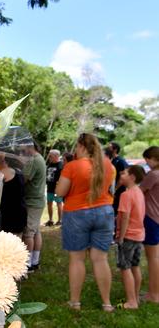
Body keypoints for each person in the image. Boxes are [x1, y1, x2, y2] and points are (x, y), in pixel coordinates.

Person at [55, 133, 116, 312]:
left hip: (76, 213)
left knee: (77, 259)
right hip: (104, 212)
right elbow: (110, 188)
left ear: (81, 146)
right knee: (100, 259)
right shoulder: (108, 165)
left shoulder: (72, 166)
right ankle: (107, 303)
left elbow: (60, 192)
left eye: (76, 146)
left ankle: (75, 302)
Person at [115, 165, 146, 309]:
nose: (121, 175)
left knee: (125, 267)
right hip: (139, 235)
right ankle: (135, 297)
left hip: (128, 236)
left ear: (132, 177)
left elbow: (124, 217)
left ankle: (131, 302)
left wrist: (120, 237)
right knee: (135, 265)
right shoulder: (139, 192)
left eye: (124, 173)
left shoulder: (126, 195)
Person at [23, 142, 47, 271]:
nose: (23, 151)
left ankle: (27, 265)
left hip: (32, 202)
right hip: (37, 201)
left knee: (28, 233)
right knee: (35, 231)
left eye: (24, 148)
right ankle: (35, 261)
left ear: (30, 147)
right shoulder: (40, 159)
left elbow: (25, 179)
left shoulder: (34, 160)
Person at [141, 146, 159, 303]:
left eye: (148, 159)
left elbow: (139, 191)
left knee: (152, 257)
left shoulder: (153, 175)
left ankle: (154, 294)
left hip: (151, 218)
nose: (146, 162)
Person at [0, 152, 27, 236]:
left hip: (9, 212)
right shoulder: (20, 172)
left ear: (5, 160)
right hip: (21, 209)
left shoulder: (5, 171)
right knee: (18, 238)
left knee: (8, 240)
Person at [46, 149, 64, 226]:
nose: (49, 157)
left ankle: (60, 220)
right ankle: (50, 220)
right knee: (49, 203)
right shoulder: (50, 164)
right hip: (49, 188)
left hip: (57, 189)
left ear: (56, 156)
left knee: (59, 203)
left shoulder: (61, 165)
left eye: (50, 156)